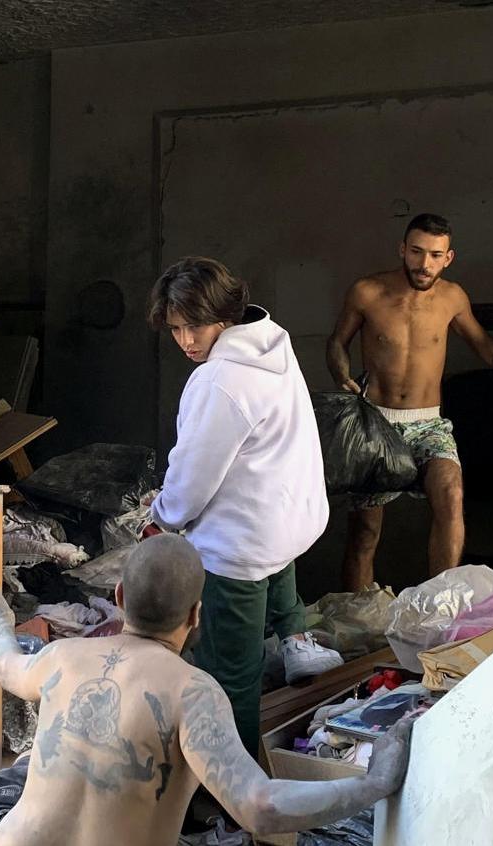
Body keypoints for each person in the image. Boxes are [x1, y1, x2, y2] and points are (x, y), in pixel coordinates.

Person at [0, 535, 417, 846]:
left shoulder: (61, 656)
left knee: (21, 769)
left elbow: (8, 668)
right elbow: (260, 807)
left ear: (119, 597)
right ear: (196, 614)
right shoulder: (193, 693)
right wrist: (374, 783)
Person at [144, 257, 342, 757]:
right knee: (274, 560)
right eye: (176, 329)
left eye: (195, 325)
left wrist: (161, 517)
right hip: (292, 516)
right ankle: (294, 638)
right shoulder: (273, 344)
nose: (186, 341)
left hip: (242, 547)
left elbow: (192, 478)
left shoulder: (219, 381)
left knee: (229, 676)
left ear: (224, 315)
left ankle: (232, 791)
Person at [326, 214, 493, 588]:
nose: (424, 264)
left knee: (451, 493)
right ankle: (356, 613)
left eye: (434, 255)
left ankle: (441, 605)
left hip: (429, 424)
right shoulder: (367, 292)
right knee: (364, 531)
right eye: (416, 252)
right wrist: (341, 374)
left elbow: (487, 348)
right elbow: (337, 342)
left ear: (449, 257)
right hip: (375, 423)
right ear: (402, 249)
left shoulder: (452, 298)